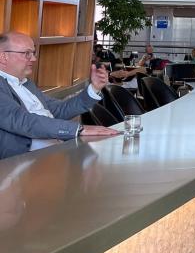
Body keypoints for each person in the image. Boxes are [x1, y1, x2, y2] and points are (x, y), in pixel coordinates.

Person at [0, 31, 121, 159]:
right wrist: (78, 130)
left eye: (33, 53)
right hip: (23, 161)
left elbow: (58, 110)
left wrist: (94, 88)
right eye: (27, 53)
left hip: (56, 150)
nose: (34, 59)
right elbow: (23, 121)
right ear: (3, 57)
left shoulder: (27, 83)